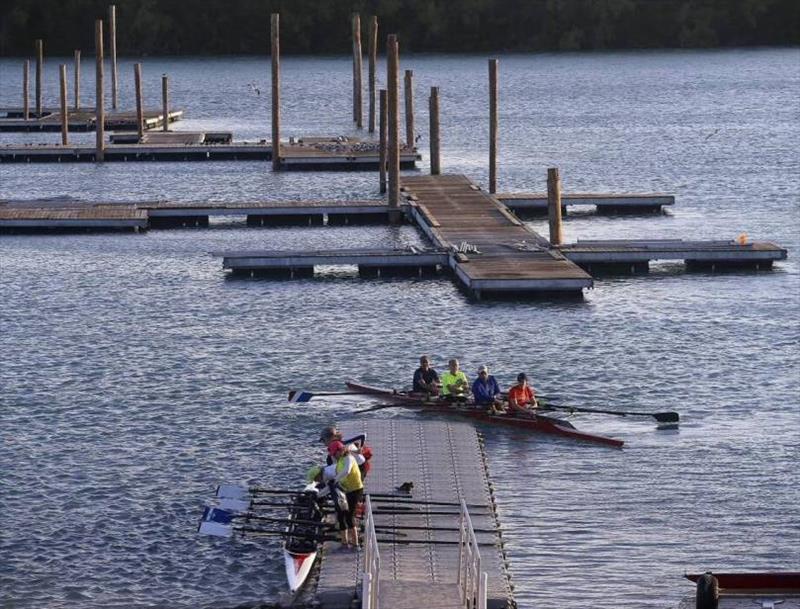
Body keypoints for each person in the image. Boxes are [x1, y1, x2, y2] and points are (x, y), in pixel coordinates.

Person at [327, 440, 364, 548]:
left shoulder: (349, 458)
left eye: (334, 453)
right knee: (340, 515)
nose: (333, 456)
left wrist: (335, 480)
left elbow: (346, 471)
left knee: (349, 516)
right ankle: (344, 543)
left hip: (356, 490)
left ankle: (355, 543)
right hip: (345, 490)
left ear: (340, 450)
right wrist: (319, 494)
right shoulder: (339, 461)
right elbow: (333, 482)